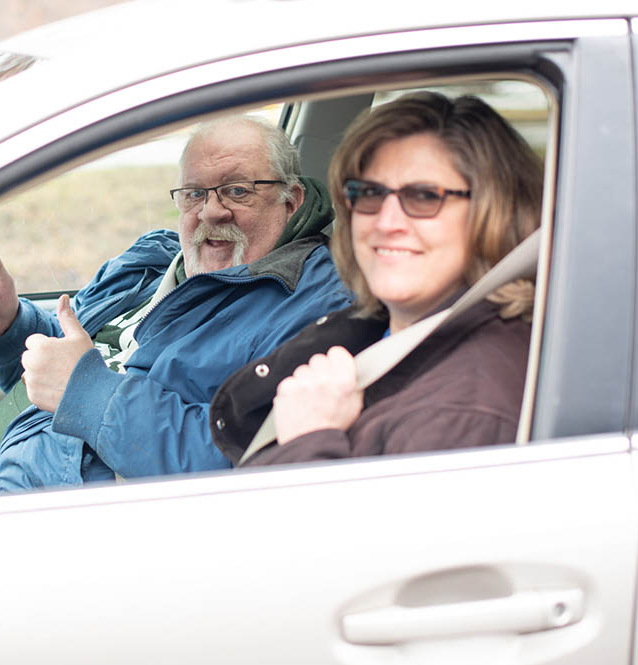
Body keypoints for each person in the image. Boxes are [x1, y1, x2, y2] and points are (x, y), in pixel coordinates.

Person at [0, 114, 352, 492]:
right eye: (194, 194)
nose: (211, 212)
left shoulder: (312, 301)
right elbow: (70, 356)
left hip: (46, 505)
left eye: (237, 191)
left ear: (290, 201)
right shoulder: (153, 256)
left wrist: (89, 393)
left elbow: (243, 459)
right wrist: (7, 326)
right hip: (10, 445)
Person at [209, 92, 543, 466]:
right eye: (369, 193)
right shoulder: (381, 328)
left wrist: (309, 440)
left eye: (423, 196)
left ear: (494, 213)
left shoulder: (465, 413)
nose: (386, 223)